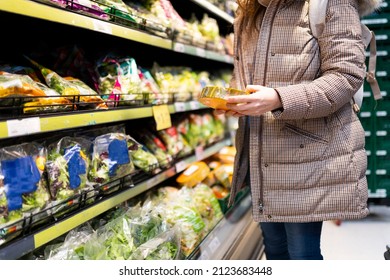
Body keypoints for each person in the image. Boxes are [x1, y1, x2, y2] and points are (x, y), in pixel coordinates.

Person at [215, 0, 383, 260]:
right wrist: (235, 99)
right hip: (262, 152)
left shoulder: (328, 3)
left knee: (301, 254)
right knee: (274, 249)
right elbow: (243, 73)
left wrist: (279, 98)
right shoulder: (248, 11)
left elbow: (346, 75)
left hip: (307, 155)